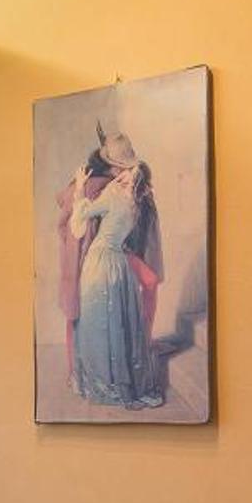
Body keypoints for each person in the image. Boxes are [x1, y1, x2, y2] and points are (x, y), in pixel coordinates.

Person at [59, 126, 166, 409]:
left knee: (109, 321)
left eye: (126, 169)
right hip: (110, 262)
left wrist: (81, 188)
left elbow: (81, 221)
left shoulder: (117, 193)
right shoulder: (126, 195)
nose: (122, 173)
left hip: (107, 261)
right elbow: (81, 223)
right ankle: (116, 380)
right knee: (110, 322)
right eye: (121, 168)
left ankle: (112, 380)